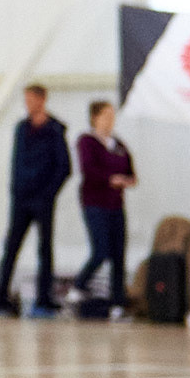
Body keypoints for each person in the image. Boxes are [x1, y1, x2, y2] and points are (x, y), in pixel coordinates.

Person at [0, 84, 69, 318]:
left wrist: (48, 193)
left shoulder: (55, 130)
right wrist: (16, 190)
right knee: (11, 246)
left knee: (44, 248)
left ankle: (44, 298)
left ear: (42, 100)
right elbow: (15, 163)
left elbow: (64, 167)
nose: (28, 104)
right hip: (21, 199)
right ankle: (0, 296)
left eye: (32, 99)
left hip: (42, 199)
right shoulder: (21, 129)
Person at [73, 99, 135, 316]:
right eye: (106, 116)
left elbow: (130, 170)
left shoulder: (118, 144)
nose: (110, 120)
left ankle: (118, 303)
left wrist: (127, 180)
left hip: (116, 205)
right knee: (101, 250)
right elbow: (89, 169)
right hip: (95, 203)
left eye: (112, 116)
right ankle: (79, 285)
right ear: (95, 118)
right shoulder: (87, 141)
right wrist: (111, 179)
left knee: (119, 253)